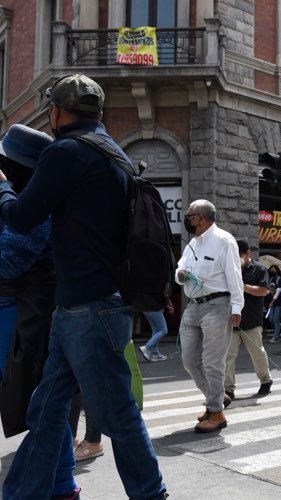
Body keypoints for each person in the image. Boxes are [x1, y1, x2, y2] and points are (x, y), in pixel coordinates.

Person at [0, 74, 166, 498]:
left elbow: (21, 216)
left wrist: (2, 187)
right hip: (87, 304)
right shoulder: (113, 153)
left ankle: (152, 494)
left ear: (55, 111)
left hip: (86, 307)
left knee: (117, 415)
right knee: (47, 408)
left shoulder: (67, 153)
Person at [0, 125, 80, 498]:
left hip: (21, 316)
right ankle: (63, 486)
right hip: (25, 313)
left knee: (41, 405)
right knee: (44, 405)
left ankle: (61, 485)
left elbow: (10, 261)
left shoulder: (33, 204)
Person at [176, 199, 244, 433]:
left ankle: (216, 413)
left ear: (202, 217)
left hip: (218, 305)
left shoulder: (224, 240)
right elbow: (180, 267)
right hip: (193, 305)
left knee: (214, 363)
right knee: (189, 360)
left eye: (190, 214)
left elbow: (235, 276)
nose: (187, 218)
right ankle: (216, 397)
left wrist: (237, 308)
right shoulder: (192, 243)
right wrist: (181, 274)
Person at [224, 239, 273, 403]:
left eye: (238, 256)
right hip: (231, 321)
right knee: (228, 356)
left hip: (252, 321)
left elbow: (263, 291)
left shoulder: (259, 269)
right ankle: (228, 389)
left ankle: (265, 380)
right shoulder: (230, 268)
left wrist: (241, 286)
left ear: (247, 254)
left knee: (257, 353)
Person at [267, 264, 281, 342]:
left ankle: (276, 336)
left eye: (274, 269)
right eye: (271, 269)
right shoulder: (271, 279)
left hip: (278, 302)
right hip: (272, 302)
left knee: (275, 319)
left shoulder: (280, 279)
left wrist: (271, 302)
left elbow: (278, 292)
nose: (272, 271)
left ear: (277, 270)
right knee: (271, 319)